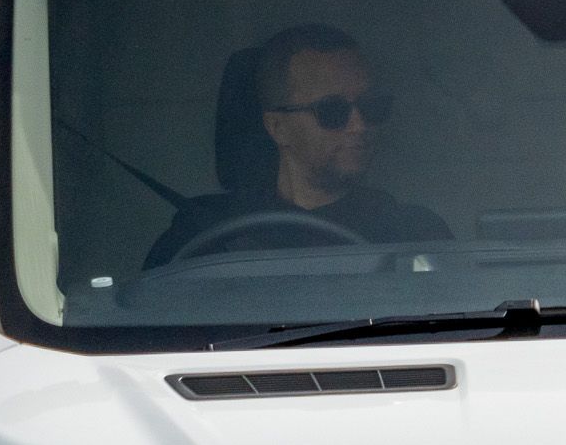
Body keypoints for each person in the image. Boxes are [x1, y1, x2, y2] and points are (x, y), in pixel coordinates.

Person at [146, 26, 449, 267]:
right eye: (332, 112)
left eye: (372, 107)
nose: (360, 125)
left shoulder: (413, 234)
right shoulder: (201, 240)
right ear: (278, 127)